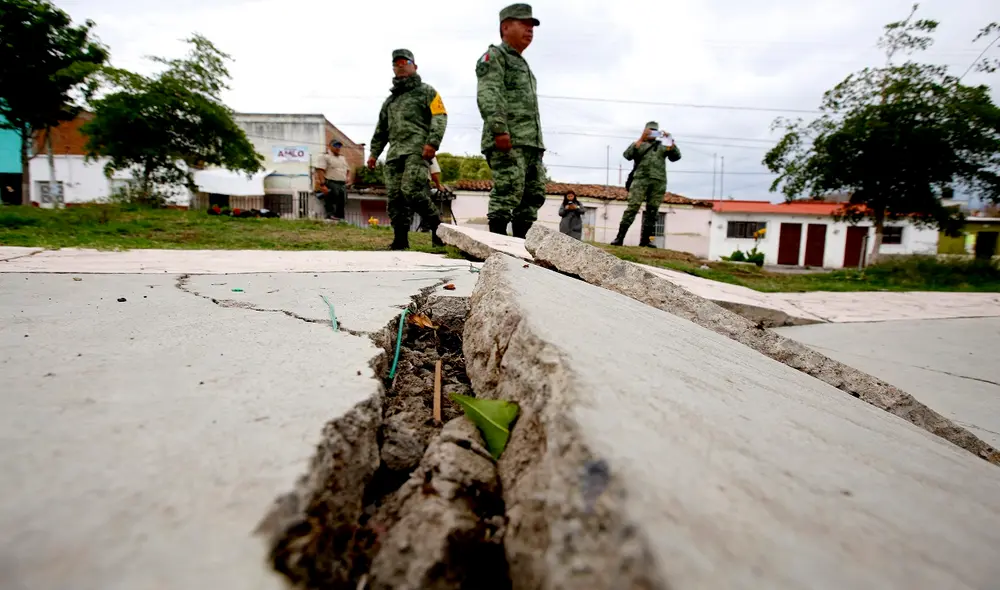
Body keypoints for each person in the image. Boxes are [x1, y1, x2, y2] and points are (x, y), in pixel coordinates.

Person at [476, 3, 546, 238]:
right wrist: (498, 129)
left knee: (533, 195)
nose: (530, 30)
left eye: (532, 26)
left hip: (530, 142)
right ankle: (496, 246)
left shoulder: (523, 64)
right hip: (508, 139)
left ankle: (519, 249)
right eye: (524, 24)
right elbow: (490, 92)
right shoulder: (495, 56)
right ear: (505, 27)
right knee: (508, 191)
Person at [368, 49, 447, 249]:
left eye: (404, 61)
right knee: (395, 198)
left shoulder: (427, 91)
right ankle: (400, 239)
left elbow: (440, 116)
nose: (400, 65)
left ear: (414, 65)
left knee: (412, 190)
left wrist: (432, 142)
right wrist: (373, 154)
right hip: (394, 154)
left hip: (417, 150)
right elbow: (381, 130)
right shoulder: (391, 101)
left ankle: (437, 227)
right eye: (396, 63)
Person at [610, 121, 682, 247]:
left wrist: (670, 142)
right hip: (640, 180)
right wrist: (641, 139)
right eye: (650, 130)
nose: (652, 133)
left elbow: (676, 157)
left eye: (655, 131)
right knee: (632, 207)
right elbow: (627, 155)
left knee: (653, 211)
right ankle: (619, 238)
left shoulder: (663, 145)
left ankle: (646, 240)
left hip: (658, 181)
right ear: (645, 131)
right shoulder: (639, 144)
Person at [313, 140, 351, 220]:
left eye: (339, 146)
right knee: (332, 200)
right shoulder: (324, 156)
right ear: (329, 146)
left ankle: (340, 217)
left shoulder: (342, 158)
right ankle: (330, 216)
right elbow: (320, 170)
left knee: (342, 201)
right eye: (335, 145)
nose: (338, 148)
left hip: (342, 183)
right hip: (330, 182)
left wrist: (347, 178)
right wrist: (322, 185)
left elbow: (347, 169)